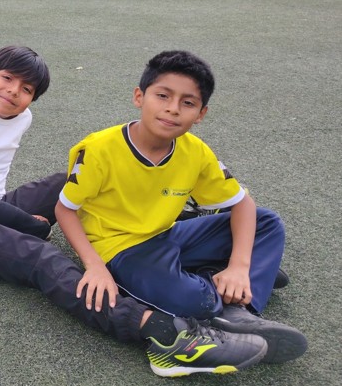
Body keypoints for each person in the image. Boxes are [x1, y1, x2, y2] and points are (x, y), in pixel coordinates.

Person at [0, 45, 271, 377]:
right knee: (42, 258)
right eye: (6, 78)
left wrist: (21, 218)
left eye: (27, 88)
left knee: (68, 182)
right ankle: (164, 335)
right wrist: (31, 225)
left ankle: (144, 241)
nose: (14, 91)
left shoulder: (20, 115)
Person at [56, 50, 307, 365]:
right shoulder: (98, 149)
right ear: (139, 97)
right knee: (193, 301)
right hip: (119, 248)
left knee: (266, 222)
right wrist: (94, 265)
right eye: (163, 96)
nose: (172, 109)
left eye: (187, 103)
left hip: (168, 234)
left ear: (201, 114)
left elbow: (242, 204)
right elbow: (64, 209)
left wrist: (239, 266)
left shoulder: (195, 152)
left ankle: (239, 309)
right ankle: (222, 291)